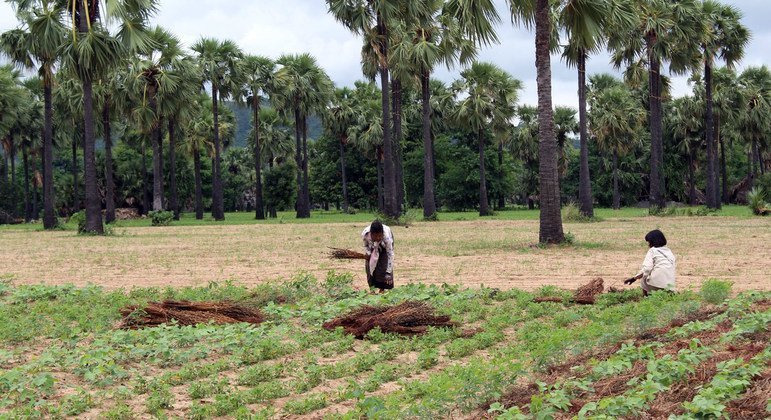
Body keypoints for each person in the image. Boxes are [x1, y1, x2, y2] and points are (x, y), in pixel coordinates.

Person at [624, 229, 676, 296]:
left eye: (649, 242)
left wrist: (634, 278)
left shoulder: (652, 251)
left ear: (652, 242)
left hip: (656, 284)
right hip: (670, 286)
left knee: (644, 277)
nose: (648, 244)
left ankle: (645, 297)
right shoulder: (669, 251)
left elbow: (647, 269)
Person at [362, 220, 394, 293]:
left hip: (384, 246)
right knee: (369, 265)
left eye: (380, 235)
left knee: (383, 264)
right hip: (372, 246)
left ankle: (382, 289)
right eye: (375, 236)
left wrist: (388, 272)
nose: (378, 238)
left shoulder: (387, 238)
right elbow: (366, 246)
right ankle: (372, 289)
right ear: (371, 234)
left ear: (382, 234)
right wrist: (368, 253)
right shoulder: (365, 235)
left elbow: (390, 254)